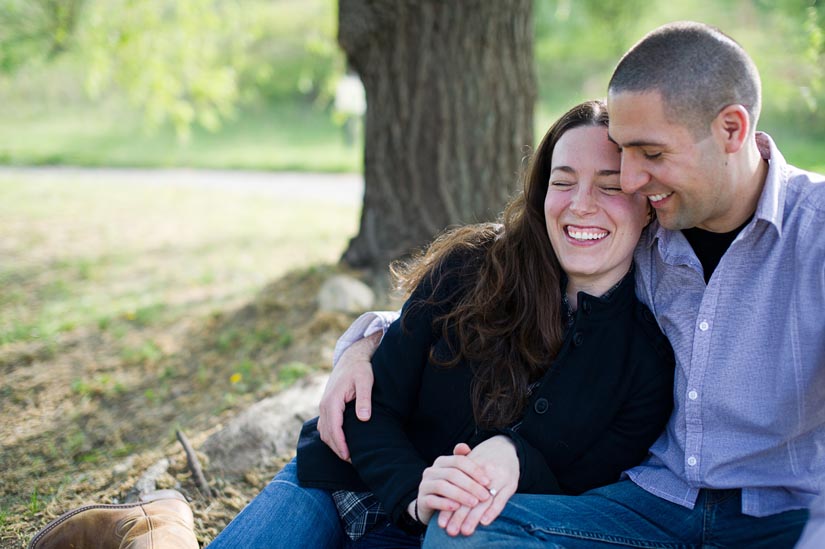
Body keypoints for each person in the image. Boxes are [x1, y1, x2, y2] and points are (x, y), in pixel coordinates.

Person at [323, 21, 824, 548]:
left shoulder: (811, 235)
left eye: (650, 155)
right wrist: (366, 342)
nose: (630, 181)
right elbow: (504, 274)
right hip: (649, 506)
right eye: (624, 152)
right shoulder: (643, 227)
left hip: (784, 515)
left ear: (731, 130)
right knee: (461, 532)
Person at [293, 99, 674, 546]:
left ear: (648, 206)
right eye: (563, 182)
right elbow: (370, 404)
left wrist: (517, 458)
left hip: (451, 534)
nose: (581, 205)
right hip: (341, 480)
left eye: (610, 187)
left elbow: (569, 500)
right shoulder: (472, 267)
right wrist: (416, 493)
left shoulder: (645, 364)